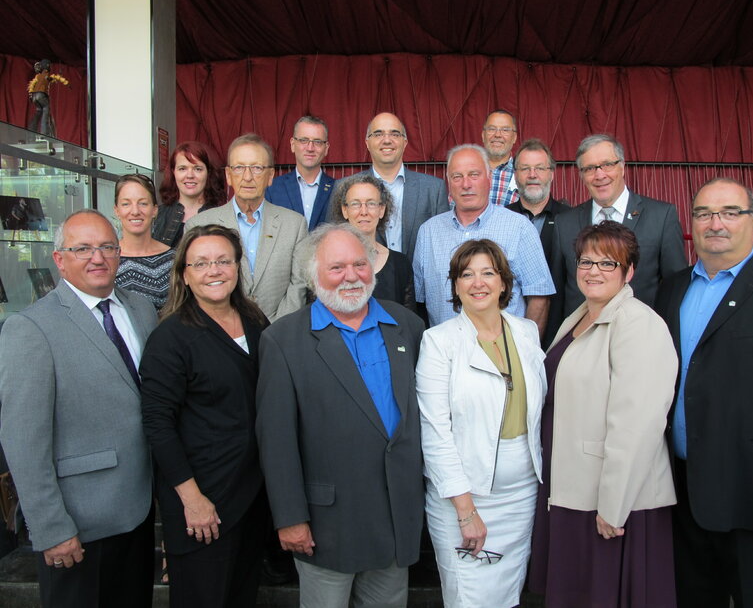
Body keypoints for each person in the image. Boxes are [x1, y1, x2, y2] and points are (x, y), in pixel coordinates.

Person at [654, 178, 753, 608]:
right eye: (704, 213)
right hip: (683, 497)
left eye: (729, 212)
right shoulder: (671, 289)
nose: (715, 224)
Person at [256, 223, 425, 608]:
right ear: (313, 277)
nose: (351, 276)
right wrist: (290, 517)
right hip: (326, 524)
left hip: (395, 517)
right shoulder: (283, 340)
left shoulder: (408, 327)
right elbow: (276, 440)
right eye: (336, 268)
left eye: (360, 264)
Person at [0, 209, 157, 608]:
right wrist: (51, 528)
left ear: (120, 253)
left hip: (138, 511)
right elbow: (23, 441)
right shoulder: (31, 328)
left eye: (107, 246)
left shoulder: (141, 310)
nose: (97, 257)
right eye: (82, 248)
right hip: (78, 523)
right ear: (60, 259)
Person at [528, 221, 678, 608]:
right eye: (586, 261)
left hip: (612, 501)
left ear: (629, 272)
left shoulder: (639, 325)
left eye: (608, 263)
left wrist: (614, 506)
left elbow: (637, 425)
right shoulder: (578, 316)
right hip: (572, 489)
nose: (593, 270)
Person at [139, 224, 270, 607]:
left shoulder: (255, 321)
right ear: (184, 274)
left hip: (251, 495)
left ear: (237, 266)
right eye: (201, 263)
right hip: (203, 501)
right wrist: (191, 499)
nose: (214, 270)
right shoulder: (171, 338)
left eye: (223, 261)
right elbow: (158, 424)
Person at [416, 238, 546, 607]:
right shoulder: (438, 342)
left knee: (507, 595)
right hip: (464, 498)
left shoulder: (526, 332)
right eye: (467, 274)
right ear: (455, 285)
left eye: (488, 272)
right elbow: (435, 433)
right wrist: (465, 510)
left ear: (504, 282)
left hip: (521, 494)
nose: (478, 283)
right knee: (469, 597)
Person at [547, 133, 686, 345]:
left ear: (622, 166)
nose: (599, 175)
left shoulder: (661, 216)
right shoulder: (563, 224)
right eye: (590, 168)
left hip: (640, 340)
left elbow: (675, 288)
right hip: (580, 341)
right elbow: (558, 297)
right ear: (582, 175)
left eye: (606, 164)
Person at [413, 144, 555, 337]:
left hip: (503, 356)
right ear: (448, 182)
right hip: (446, 357)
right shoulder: (428, 232)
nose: (466, 184)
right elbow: (419, 301)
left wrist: (524, 351)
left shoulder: (519, 228)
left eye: (474, 175)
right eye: (457, 176)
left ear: (489, 179)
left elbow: (539, 297)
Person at [186, 133, 308, 322]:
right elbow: (195, 285)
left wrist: (277, 331)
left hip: (278, 333)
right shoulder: (200, 225)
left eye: (257, 168)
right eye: (239, 168)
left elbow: (299, 284)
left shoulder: (294, 224)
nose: (248, 177)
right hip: (220, 333)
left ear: (270, 176)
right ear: (228, 175)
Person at [344, 112, 448, 264]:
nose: (387, 140)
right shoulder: (346, 188)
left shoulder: (434, 189)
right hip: (366, 284)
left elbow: (443, 245)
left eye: (394, 134)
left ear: (405, 142)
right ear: (367, 142)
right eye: (378, 134)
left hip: (418, 284)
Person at [329, 172, 416, 311]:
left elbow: (409, 322)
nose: (364, 211)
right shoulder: (327, 263)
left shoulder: (400, 264)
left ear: (381, 210)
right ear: (345, 210)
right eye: (356, 204)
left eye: (371, 204)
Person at [505, 138, 571, 269]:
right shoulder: (501, 218)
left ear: (551, 174)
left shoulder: (570, 219)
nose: (532, 175)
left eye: (540, 168)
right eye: (525, 169)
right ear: (515, 175)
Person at [114, 173, 175, 310]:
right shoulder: (106, 258)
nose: (135, 211)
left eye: (143, 203)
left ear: (154, 210)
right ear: (116, 210)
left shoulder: (174, 259)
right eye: (126, 204)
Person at [265, 115, 335, 231]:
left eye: (317, 142)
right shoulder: (272, 188)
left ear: (326, 148)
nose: (310, 148)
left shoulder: (337, 189)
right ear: (293, 144)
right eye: (304, 140)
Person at [155, 141, 227, 247]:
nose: (190, 175)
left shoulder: (223, 218)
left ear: (208, 173)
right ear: (173, 172)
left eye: (197, 169)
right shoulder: (156, 215)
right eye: (182, 169)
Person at [481, 110, 519, 205]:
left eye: (505, 130)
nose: (497, 135)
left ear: (514, 137)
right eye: (492, 129)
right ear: (483, 135)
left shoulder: (523, 173)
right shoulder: (467, 170)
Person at [26, 59, 70, 136]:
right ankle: (44, 134)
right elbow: (49, 78)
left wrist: (30, 95)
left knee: (38, 111)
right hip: (41, 94)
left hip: (34, 96)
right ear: (47, 66)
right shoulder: (45, 74)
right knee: (46, 110)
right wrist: (63, 81)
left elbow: (32, 86)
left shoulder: (38, 76)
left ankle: (31, 131)